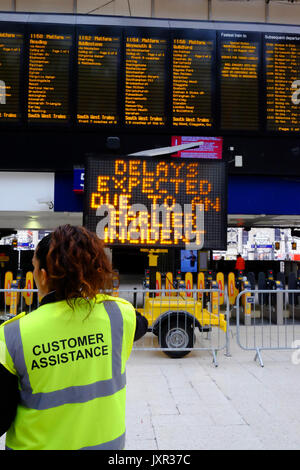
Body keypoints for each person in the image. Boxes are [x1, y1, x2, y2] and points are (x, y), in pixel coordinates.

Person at [0, 225, 148, 450]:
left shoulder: (12, 336)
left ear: (42, 276)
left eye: (34, 267)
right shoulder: (120, 316)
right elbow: (142, 325)